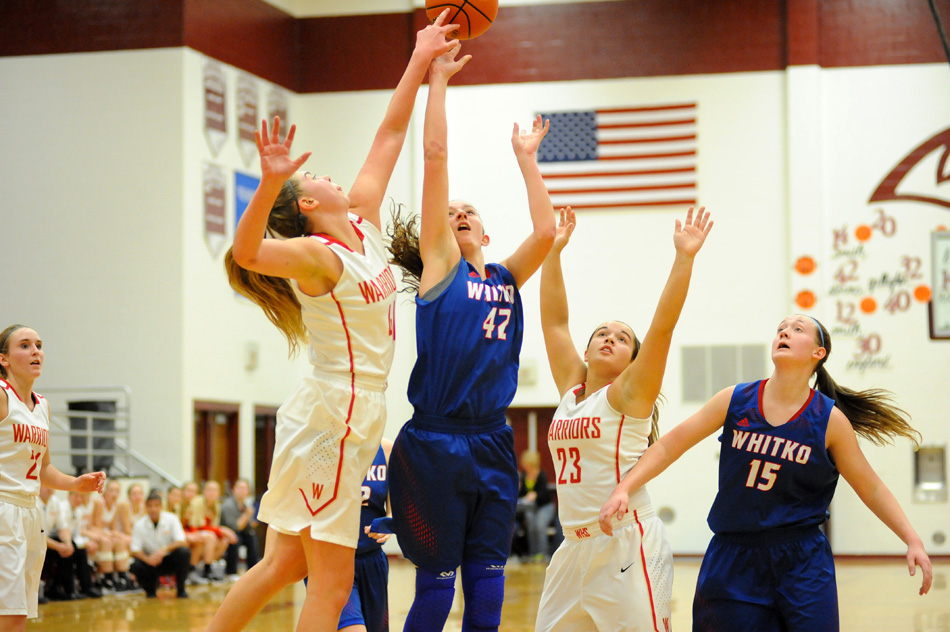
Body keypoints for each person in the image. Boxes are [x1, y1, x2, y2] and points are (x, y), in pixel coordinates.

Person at [205, 13, 461, 632]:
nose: (326, 173)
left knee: (283, 562)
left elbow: (389, 134)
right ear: (311, 207)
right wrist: (267, 186)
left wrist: (424, 65)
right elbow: (248, 254)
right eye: (312, 179)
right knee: (329, 577)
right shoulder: (321, 259)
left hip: (345, 413)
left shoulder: (363, 228)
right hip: (334, 415)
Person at [599, 314, 933, 631]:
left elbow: (871, 488)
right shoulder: (735, 399)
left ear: (819, 353)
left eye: (797, 329)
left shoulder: (829, 421)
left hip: (801, 560)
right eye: (781, 328)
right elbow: (670, 445)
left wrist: (911, 539)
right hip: (734, 556)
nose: (784, 332)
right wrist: (624, 487)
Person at [385, 43, 556, 631]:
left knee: (488, 582)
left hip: (492, 441)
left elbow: (546, 229)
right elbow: (435, 155)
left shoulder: (507, 275)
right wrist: (438, 81)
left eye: (469, 210)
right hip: (435, 441)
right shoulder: (440, 267)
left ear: (485, 228)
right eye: (450, 211)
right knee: (435, 588)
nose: (458, 213)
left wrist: (525, 157)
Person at [534, 206, 712, 632]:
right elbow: (555, 323)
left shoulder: (629, 395)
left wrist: (684, 258)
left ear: (633, 359)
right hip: (572, 548)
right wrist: (554, 253)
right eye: (602, 334)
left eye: (622, 338)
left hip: (625, 544)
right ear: (588, 349)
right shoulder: (572, 392)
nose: (609, 338)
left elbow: (662, 328)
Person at [0, 324, 105, 632]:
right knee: (8, 613)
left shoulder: (42, 405)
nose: (35, 351)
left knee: (18, 611)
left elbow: (44, 468)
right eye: (24, 345)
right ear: (3, 359)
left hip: (30, 512)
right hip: (3, 507)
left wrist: (74, 483)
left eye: (39, 345)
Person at [337, 439, 393, 632]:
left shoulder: (387, 449)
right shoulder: (329, 446)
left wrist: (389, 522)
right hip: (334, 560)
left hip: (372, 558)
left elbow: (393, 505)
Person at [129, 491, 190, 599]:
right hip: (150, 562)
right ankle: (150, 590)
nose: (153, 509)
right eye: (150, 506)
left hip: (168, 559)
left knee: (184, 552)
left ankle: (181, 589)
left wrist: (163, 550)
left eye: (156, 506)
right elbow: (135, 549)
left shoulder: (172, 519)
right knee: (136, 565)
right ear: (146, 507)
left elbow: (182, 541)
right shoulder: (139, 524)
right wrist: (147, 559)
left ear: (161, 506)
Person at [187, 480, 237, 582]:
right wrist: (222, 530)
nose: (212, 492)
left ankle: (207, 567)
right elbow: (196, 525)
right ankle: (205, 570)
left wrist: (222, 532)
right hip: (193, 531)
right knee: (211, 536)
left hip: (206, 533)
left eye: (214, 490)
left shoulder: (216, 506)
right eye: (209, 489)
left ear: (218, 493)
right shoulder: (197, 502)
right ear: (204, 491)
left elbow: (214, 526)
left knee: (224, 541)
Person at [90, 479, 134, 591]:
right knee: (107, 542)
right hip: (93, 532)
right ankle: (106, 577)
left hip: (105, 533)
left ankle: (122, 576)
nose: (114, 494)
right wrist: (110, 534)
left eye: (117, 491)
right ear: (105, 491)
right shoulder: (99, 503)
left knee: (120, 541)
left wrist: (116, 534)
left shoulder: (116, 506)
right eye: (111, 490)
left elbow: (113, 527)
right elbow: (96, 525)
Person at [515, 450, 555, 562]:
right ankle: (532, 554)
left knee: (540, 526)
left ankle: (542, 554)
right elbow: (522, 495)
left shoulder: (542, 475)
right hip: (530, 507)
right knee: (531, 527)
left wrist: (535, 495)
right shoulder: (523, 475)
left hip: (544, 506)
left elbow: (545, 494)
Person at [220, 479, 261, 581]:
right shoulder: (228, 505)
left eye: (244, 488)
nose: (242, 491)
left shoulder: (244, 505)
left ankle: (253, 571)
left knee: (251, 537)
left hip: (238, 532)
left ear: (248, 491)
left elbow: (246, 527)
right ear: (234, 490)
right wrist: (247, 515)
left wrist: (251, 522)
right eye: (239, 488)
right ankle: (231, 572)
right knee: (235, 538)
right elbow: (234, 527)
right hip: (225, 532)